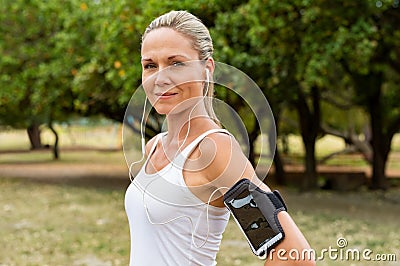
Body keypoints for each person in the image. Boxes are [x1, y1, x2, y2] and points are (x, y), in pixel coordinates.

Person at [124, 10, 315, 266]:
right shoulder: (154, 146)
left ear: (207, 68)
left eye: (176, 63)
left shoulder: (214, 150)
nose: (161, 78)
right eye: (150, 66)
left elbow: (294, 255)